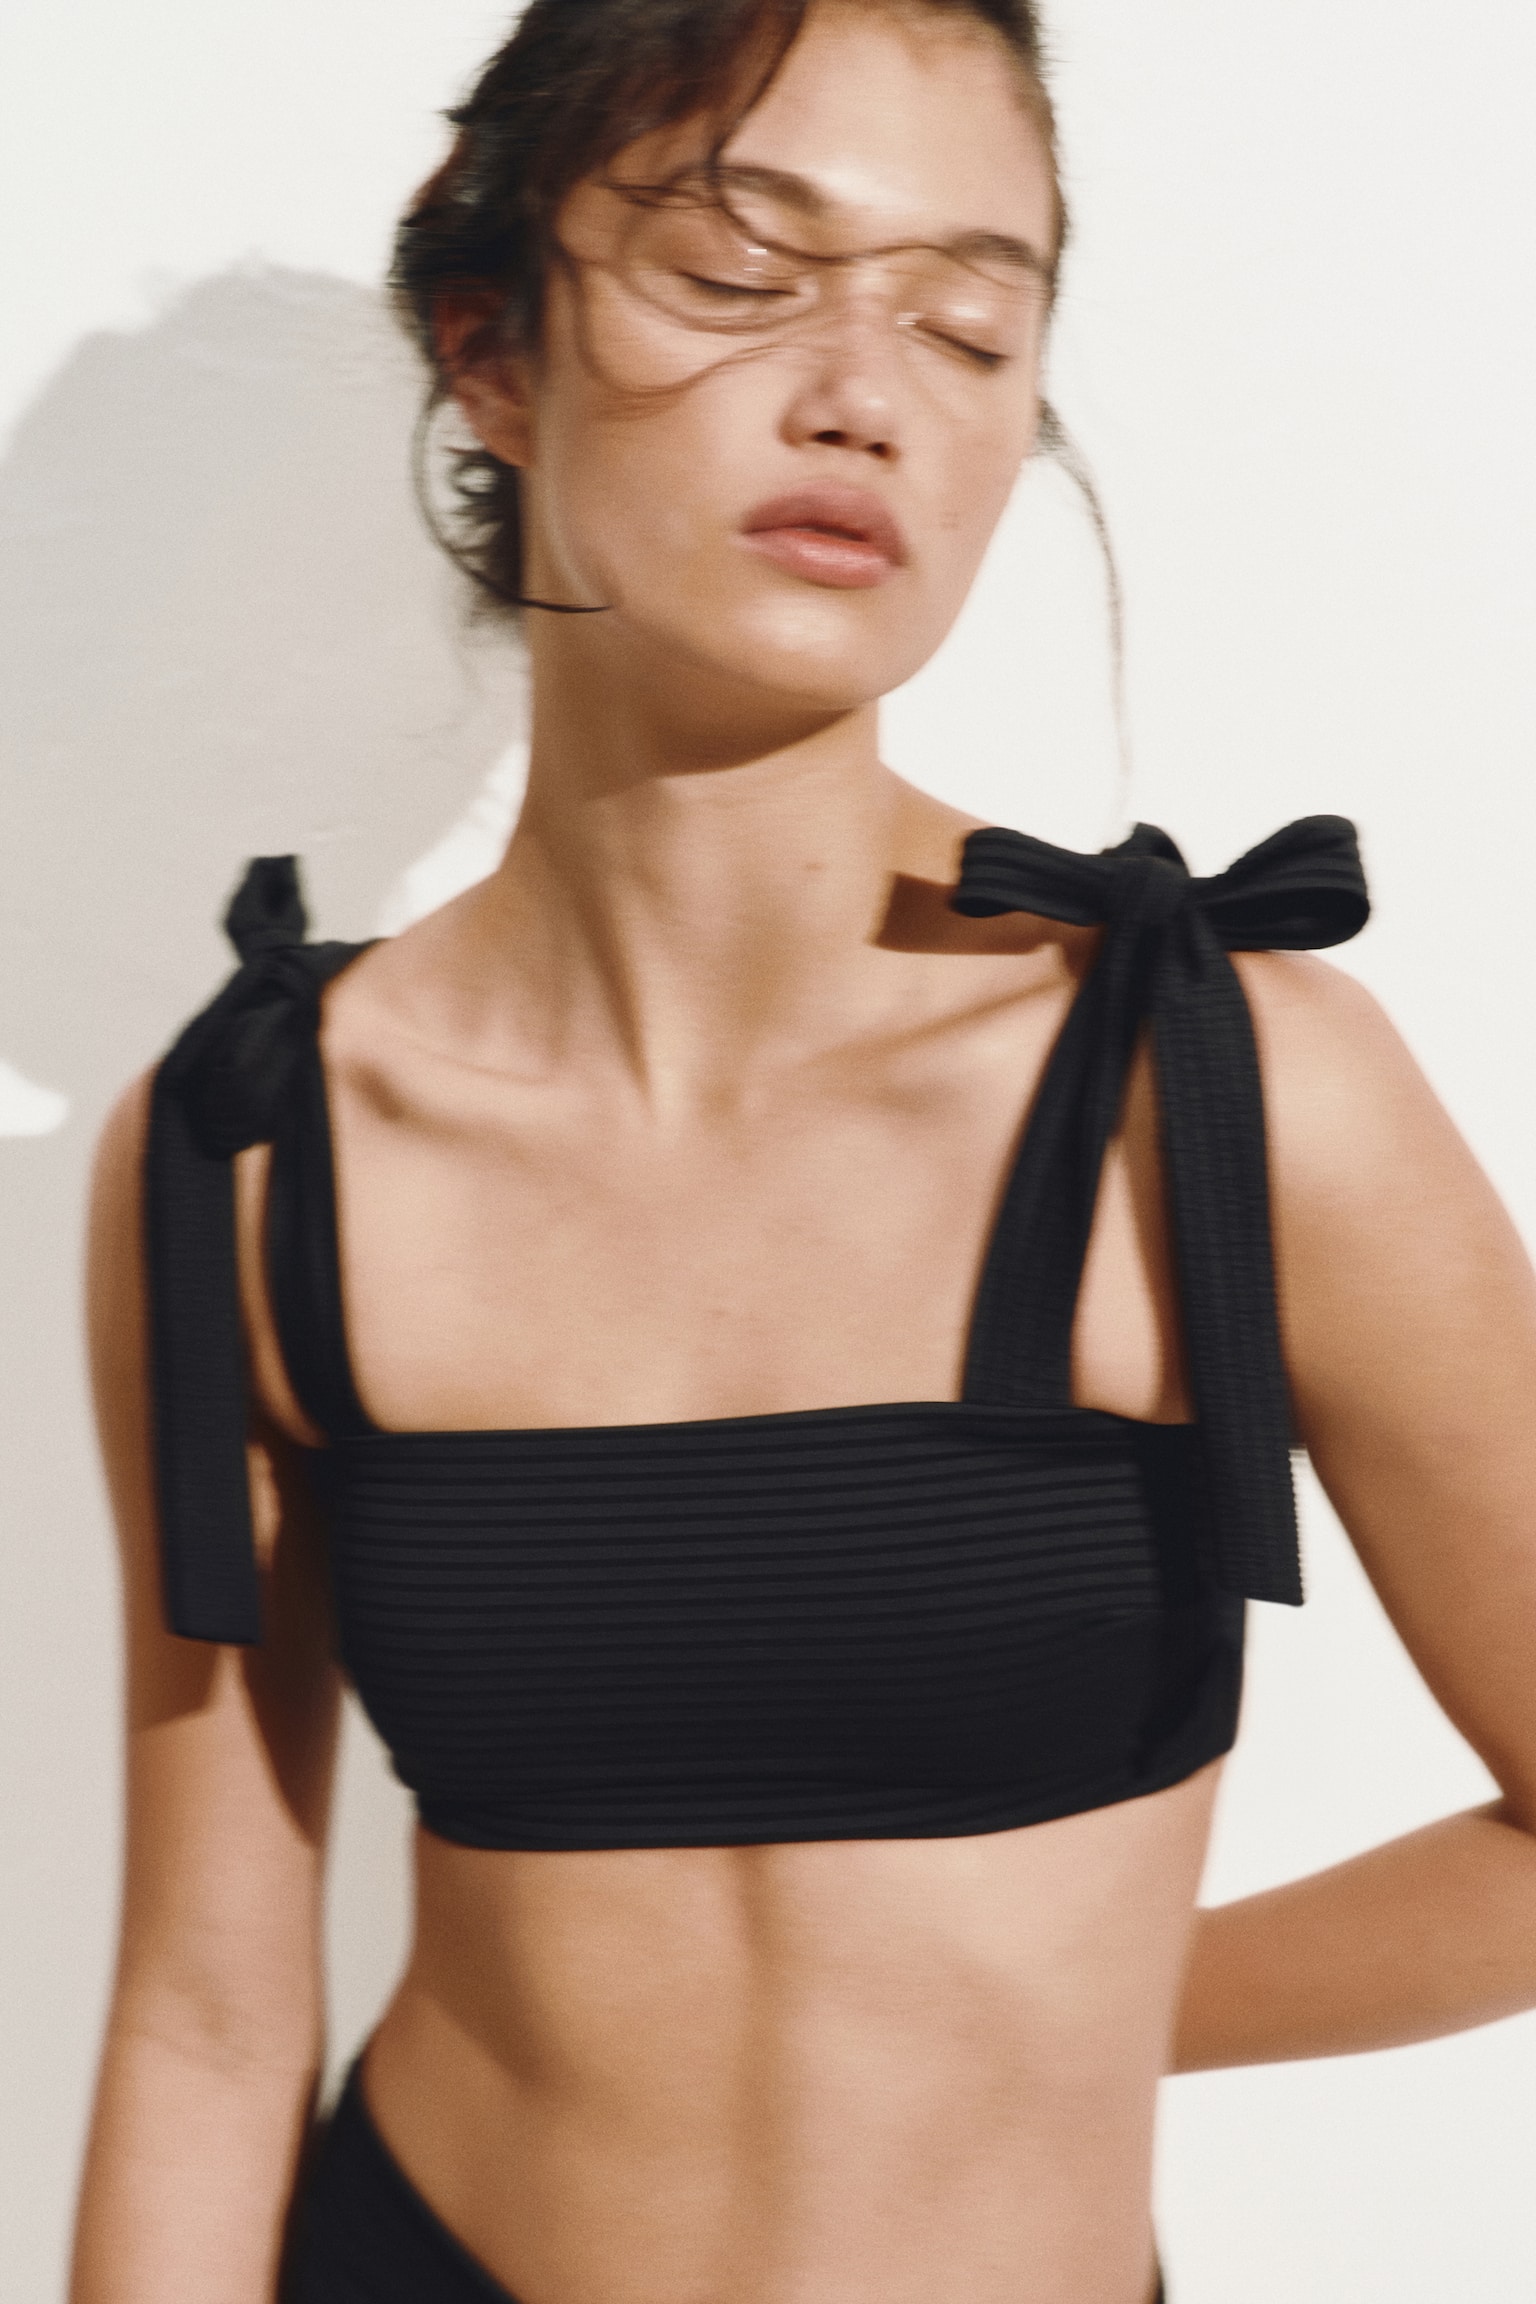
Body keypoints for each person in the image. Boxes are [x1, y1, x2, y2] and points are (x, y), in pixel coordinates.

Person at [70, 2, 1536, 2300]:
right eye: (737, 272)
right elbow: (204, 2014)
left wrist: (1069, 2021)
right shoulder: (262, 1145)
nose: (864, 391)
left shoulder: (1210, 1087)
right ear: (492, 348)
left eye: (968, 327)